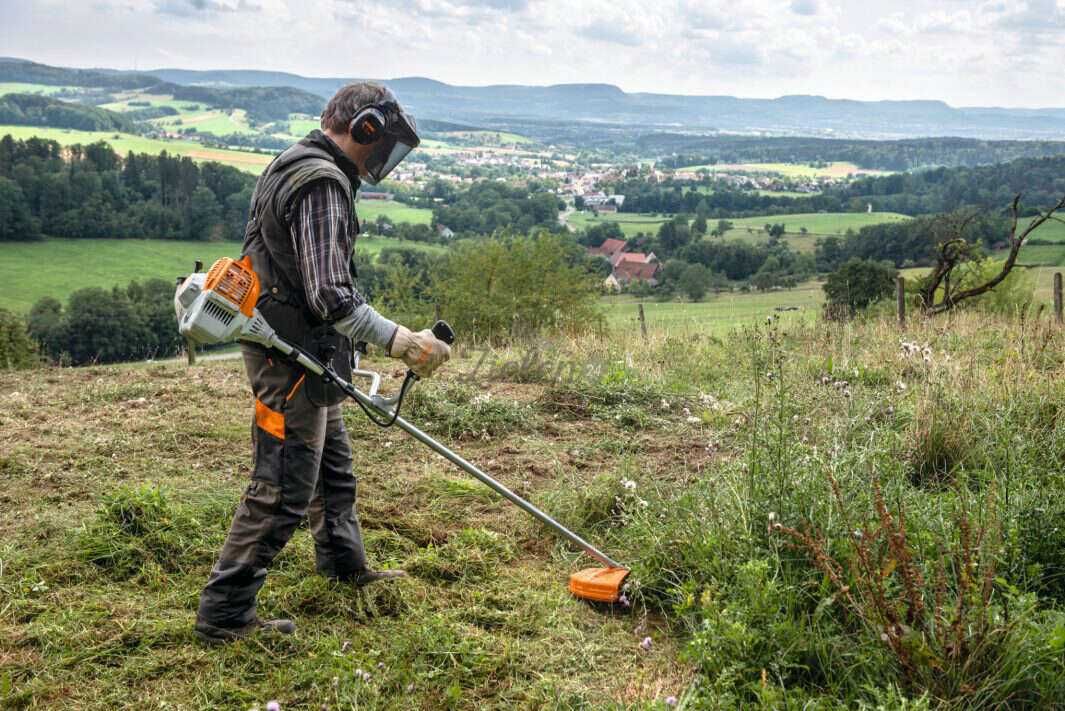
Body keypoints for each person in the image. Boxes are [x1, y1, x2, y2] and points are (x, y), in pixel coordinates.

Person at [195, 83, 450, 644]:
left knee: (332, 470)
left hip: (305, 351)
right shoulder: (323, 184)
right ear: (365, 130)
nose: (385, 157)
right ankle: (225, 614)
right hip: (288, 356)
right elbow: (331, 296)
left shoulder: (297, 161)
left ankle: (341, 563)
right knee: (283, 486)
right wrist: (402, 341)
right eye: (384, 142)